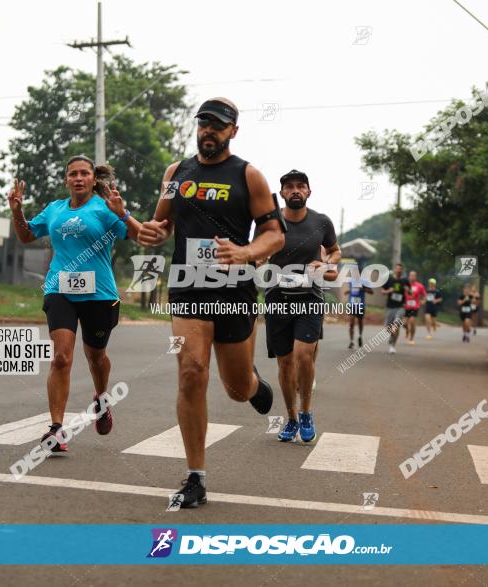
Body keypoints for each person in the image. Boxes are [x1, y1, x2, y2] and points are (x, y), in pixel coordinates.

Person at [136, 97, 285, 508]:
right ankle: (196, 477)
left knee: (236, 389)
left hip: (235, 290)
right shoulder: (176, 172)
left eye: (218, 125)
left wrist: (247, 252)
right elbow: (161, 225)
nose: (209, 131)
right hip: (187, 287)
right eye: (204, 123)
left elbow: (275, 234)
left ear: (233, 131)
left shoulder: (249, 176)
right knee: (192, 370)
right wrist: (148, 232)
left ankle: (252, 384)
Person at [8, 157, 142, 452]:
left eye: (84, 173)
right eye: (73, 174)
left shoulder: (105, 208)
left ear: (94, 179)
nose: (78, 178)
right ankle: (56, 429)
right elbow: (27, 234)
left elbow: (137, 234)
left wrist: (123, 213)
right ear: (66, 180)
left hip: (100, 295)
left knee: (96, 358)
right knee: (61, 358)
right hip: (60, 289)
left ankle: (102, 398)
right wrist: (16, 211)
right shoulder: (55, 209)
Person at [263, 169, 340, 443]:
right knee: (285, 364)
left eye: (301, 186)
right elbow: (257, 249)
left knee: (303, 356)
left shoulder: (322, 221)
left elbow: (335, 250)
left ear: (309, 191)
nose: (295, 190)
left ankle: (306, 412)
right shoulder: (270, 222)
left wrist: (328, 264)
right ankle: (292, 417)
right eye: (290, 187)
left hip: (309, 297)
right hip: (277, 298)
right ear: (282, 193)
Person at [381, 263, 409, 354]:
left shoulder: (405, 281)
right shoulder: (389, 280)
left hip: (400, 307)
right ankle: (391, 337)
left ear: (402, 270)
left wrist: (407, 290)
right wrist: (388, 291)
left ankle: (393, 346)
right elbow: (382, 291)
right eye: (397, 269)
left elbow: (411, 292)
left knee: (396, 325)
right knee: (387, 327)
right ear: (395, 270)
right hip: (390, 307)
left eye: (400, 269)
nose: (399, 270)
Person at [343, 269, 372, 349]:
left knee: (360, 322)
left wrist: (363, 289)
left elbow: (371, 291)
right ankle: (351, 341)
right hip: (351, 304)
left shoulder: (364, 282)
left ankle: (360, 336)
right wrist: (348, 291)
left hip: (360, 305)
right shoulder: (351, 281)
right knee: (351, 323)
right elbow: (352, 289)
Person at [404, 270, 427, 345]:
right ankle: (407, 330)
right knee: (405, 324)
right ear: (409, 276)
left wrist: (423, 301)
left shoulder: (419, 286)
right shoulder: (405, 285)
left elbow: (425, 295)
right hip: (406, 307)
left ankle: (411, 338)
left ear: (416, 277)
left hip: (415, 307)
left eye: (414, 275)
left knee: (412, 321)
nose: (412, 277)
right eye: (411, 275)